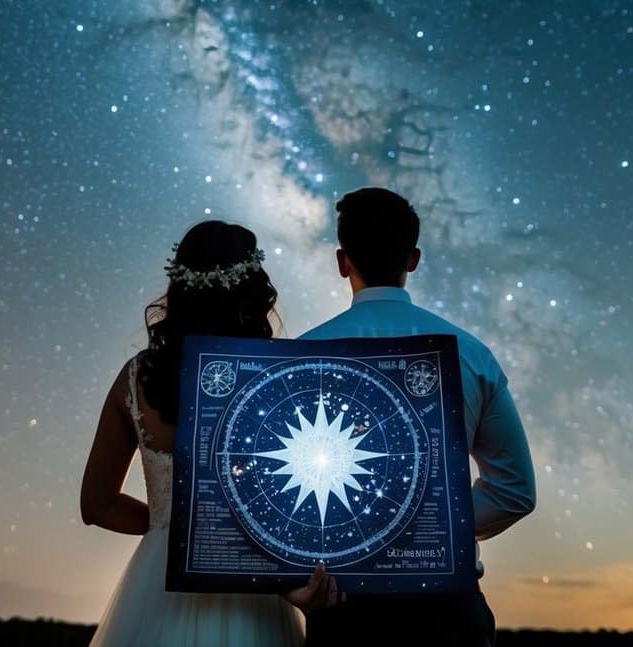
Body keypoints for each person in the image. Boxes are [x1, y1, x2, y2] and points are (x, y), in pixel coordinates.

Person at [80, 220, 339, 646]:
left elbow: (97, 505)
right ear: (252, 291)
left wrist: (173, 527)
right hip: (253, 586)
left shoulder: (135, 380)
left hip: (160, 585)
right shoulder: (275, 381)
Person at [299, 188, 537, 647]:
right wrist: (430, 526)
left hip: (343, 608)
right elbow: (515, 491)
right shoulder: (471, 353)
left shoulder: (298, 359)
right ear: (413, 259)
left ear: (342, 260)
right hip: (446, 611)